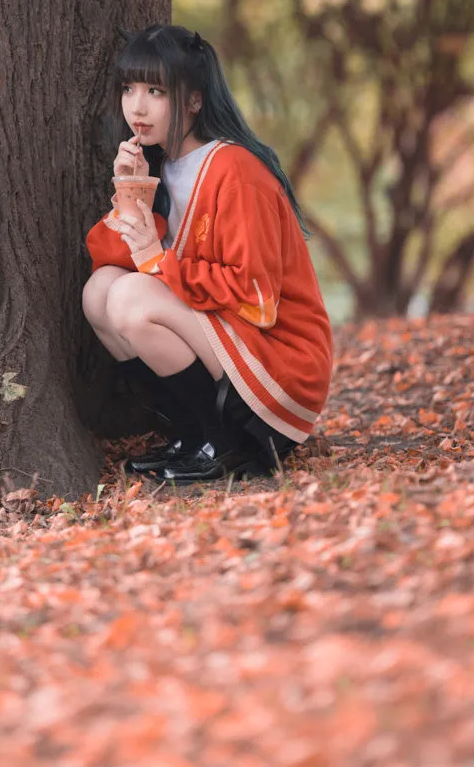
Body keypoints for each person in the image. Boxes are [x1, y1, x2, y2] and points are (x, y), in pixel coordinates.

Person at [82, 24, 333, 483]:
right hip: (226, 339)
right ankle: (193, 434)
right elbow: (108, 256)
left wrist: (159, 260)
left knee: (129, 297)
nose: (137, 106)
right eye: (129, 88)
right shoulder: (159, 164)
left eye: (155, 90)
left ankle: (228, 443)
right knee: (100, 292)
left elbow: (255, 296)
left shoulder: (235, 169)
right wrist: (130, 192)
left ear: (194, 100)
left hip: (279, 360)